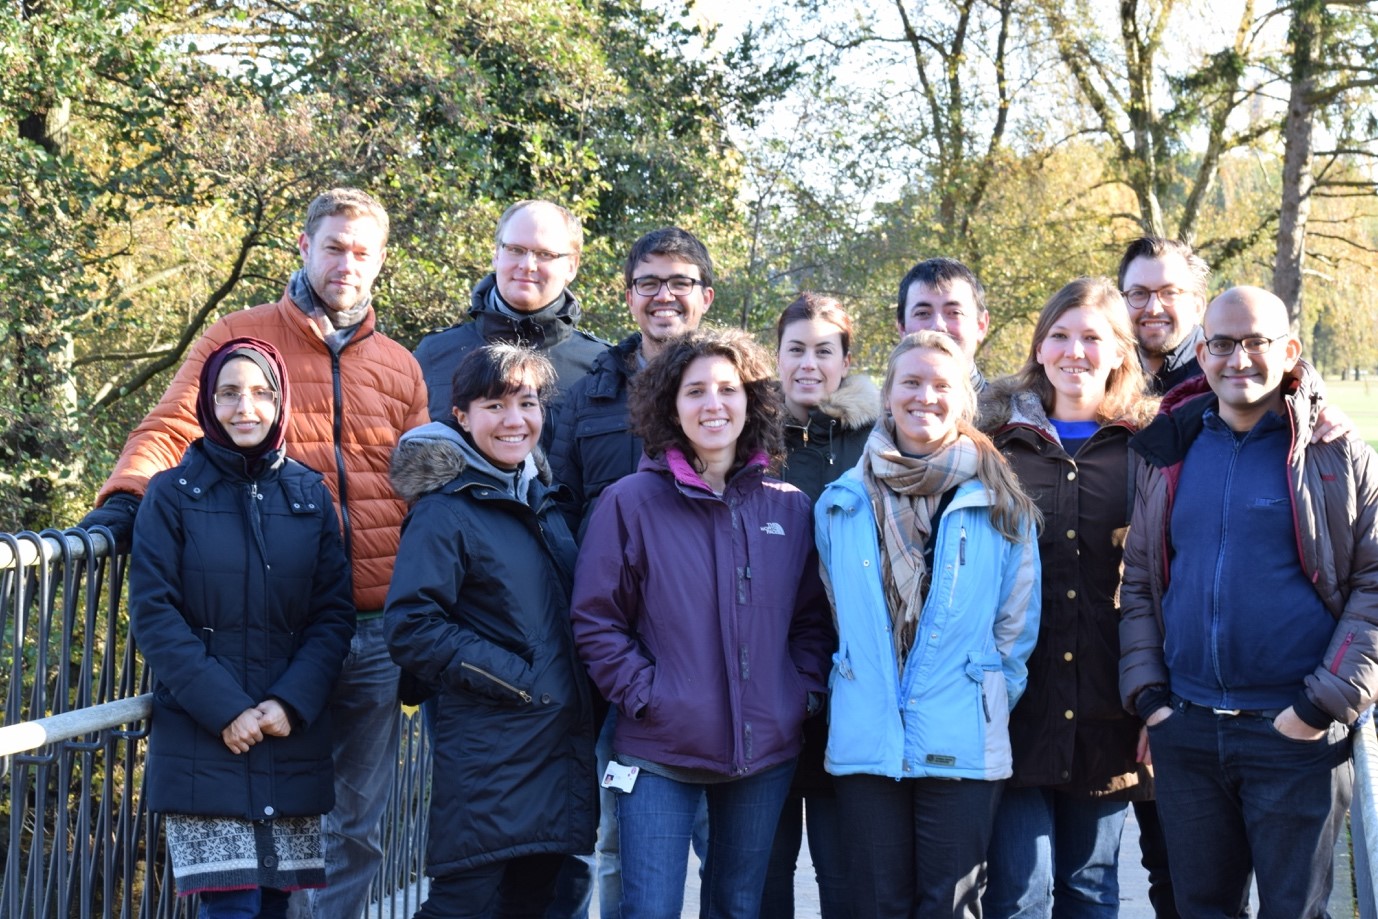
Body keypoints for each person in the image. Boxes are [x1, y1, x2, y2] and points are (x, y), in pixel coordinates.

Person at [81, 188, 428, 919]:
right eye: (334, 246)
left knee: (353, 831)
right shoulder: (245, 337)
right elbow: (176, 420)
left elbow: (426, 491)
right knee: (258, 832)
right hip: (265, 633)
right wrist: (125, 497)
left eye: (363, 251)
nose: (347, 263)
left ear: (381, 261)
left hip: (363, 630)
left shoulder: (400, 366)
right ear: (305, 248)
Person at [1119, 286, 1378, 918]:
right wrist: (1152, 699)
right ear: (1202, 353)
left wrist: (1320, 705)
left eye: (1257, 342)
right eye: (1224, 344)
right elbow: (1142, 581)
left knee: (1294, 911)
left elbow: (1373, 585)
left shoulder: (1335, 456)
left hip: (1295, 737)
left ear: (1289, 350)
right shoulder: (1168, 449)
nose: (1240, 359)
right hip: (1189, 732)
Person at [571, 328, 833, 919]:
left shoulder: (789, 506)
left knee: (739, 907)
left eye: (728, 389)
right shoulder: (629, 501)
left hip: (763, 750)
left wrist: (799, 694)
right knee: (650, 909)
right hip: (658, 750)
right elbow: (597, 621)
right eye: (695, 392)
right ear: (671, 405)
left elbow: (812, 622)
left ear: (752, 401)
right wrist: (648, 697)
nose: (713, 404)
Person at [816, 331, 1041, 919]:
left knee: (951, 906)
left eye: (942, 385)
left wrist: (984, 692)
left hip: (962, 734)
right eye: (910, 382)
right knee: (877, 904)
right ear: (887, 393)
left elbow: (1015, 627)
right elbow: (838, 614)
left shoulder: (1001, 502)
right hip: (868, 733)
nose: (925, 397)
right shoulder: (839, 503)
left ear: (964, 398)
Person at [129, 338, 355, 918]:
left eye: (260, 392)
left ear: (281, 402)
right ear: (207, 402)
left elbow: (332, 615)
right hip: (207, 737)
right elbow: (155, 615)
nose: (245, 407)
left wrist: (290, 703)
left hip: (287, 735)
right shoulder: (171, 496)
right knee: (230, 907)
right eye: (229, 393)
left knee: (276, 906)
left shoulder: (309, 495)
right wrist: (227, 709)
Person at [384, 344, 596, 919]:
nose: (514, 420)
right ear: (461, 414)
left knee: (531, 901)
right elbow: (410, 627)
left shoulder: (537, 496)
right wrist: (520, 681)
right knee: (463, 905)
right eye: (494, 404)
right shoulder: (445, 509)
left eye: (527, 403)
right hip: (491, 752)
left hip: (554, 747)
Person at [547, 226, 717, 919]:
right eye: (649, 281)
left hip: (705, 650)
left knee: (723, 840)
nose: (664, 295)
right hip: (610, 650)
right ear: (628, 295)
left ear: (705, 296)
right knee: (619, 835)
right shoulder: (585, 396)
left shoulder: (729, 388)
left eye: (680, 282)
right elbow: (554, 503)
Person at [977, 278, 1157, 918]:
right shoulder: (993, 444)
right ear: (1039, 346)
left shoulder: (1149, 448)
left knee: (1089, 891)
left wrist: (1155, 705)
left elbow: (1165, 580)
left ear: (1119, 354)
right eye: (1059, 335)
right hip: (1017, 709)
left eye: (1092, 337)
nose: (1073, 351)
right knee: (1017, 894)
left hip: (1109, 709)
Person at [763, 292, 879, 919]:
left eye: (824, 351)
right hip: (766, 676)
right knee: (761, 875)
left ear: (845, 360)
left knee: (846, 875)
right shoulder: (749, 433)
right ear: (777, 356)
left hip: (851, 678)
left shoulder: (878, 440)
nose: (809, 364)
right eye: (796, 350)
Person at [414, 200, 607, 438]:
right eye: (516, 250)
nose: (527, 265)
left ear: (571, 266)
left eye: (545, 254)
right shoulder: (433, 354)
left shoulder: (601, 366)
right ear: (497, 255)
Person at [896, 257, 992, 391]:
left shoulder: (1019, 411)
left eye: (954, 312)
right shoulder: (876, 410)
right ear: (902, 328)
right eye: (923, 313)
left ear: (981, 326)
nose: (938, 326)